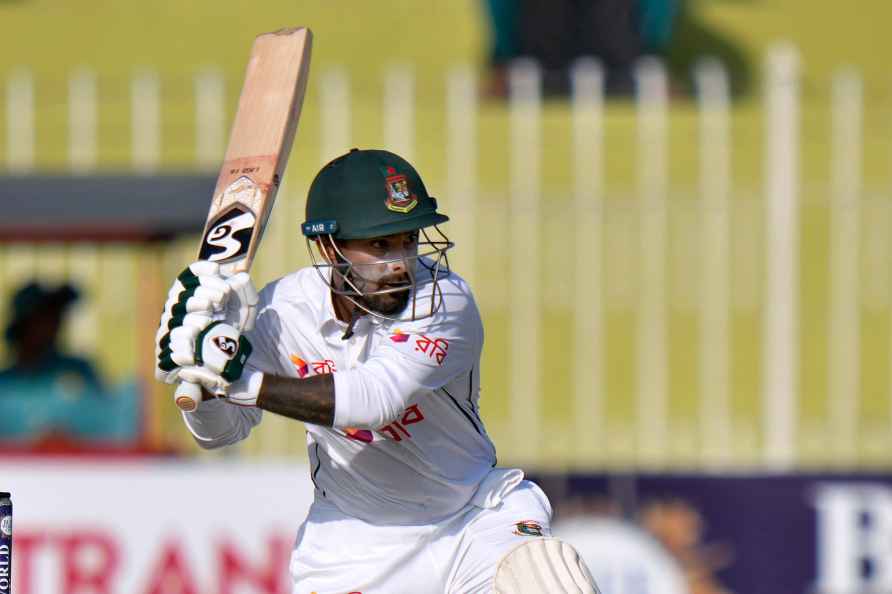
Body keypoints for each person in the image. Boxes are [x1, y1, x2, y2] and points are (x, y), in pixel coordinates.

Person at [155, 149, 599, 593]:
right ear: (329, 247)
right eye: (380, 245)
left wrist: (239, 378)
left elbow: (373, 399)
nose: (399, 264)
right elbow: (218, 434)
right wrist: (204, 374)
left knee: (542, 578)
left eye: (408, 240)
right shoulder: (281, 312)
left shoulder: (445, 301)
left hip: (471, 518)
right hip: (355, 543)